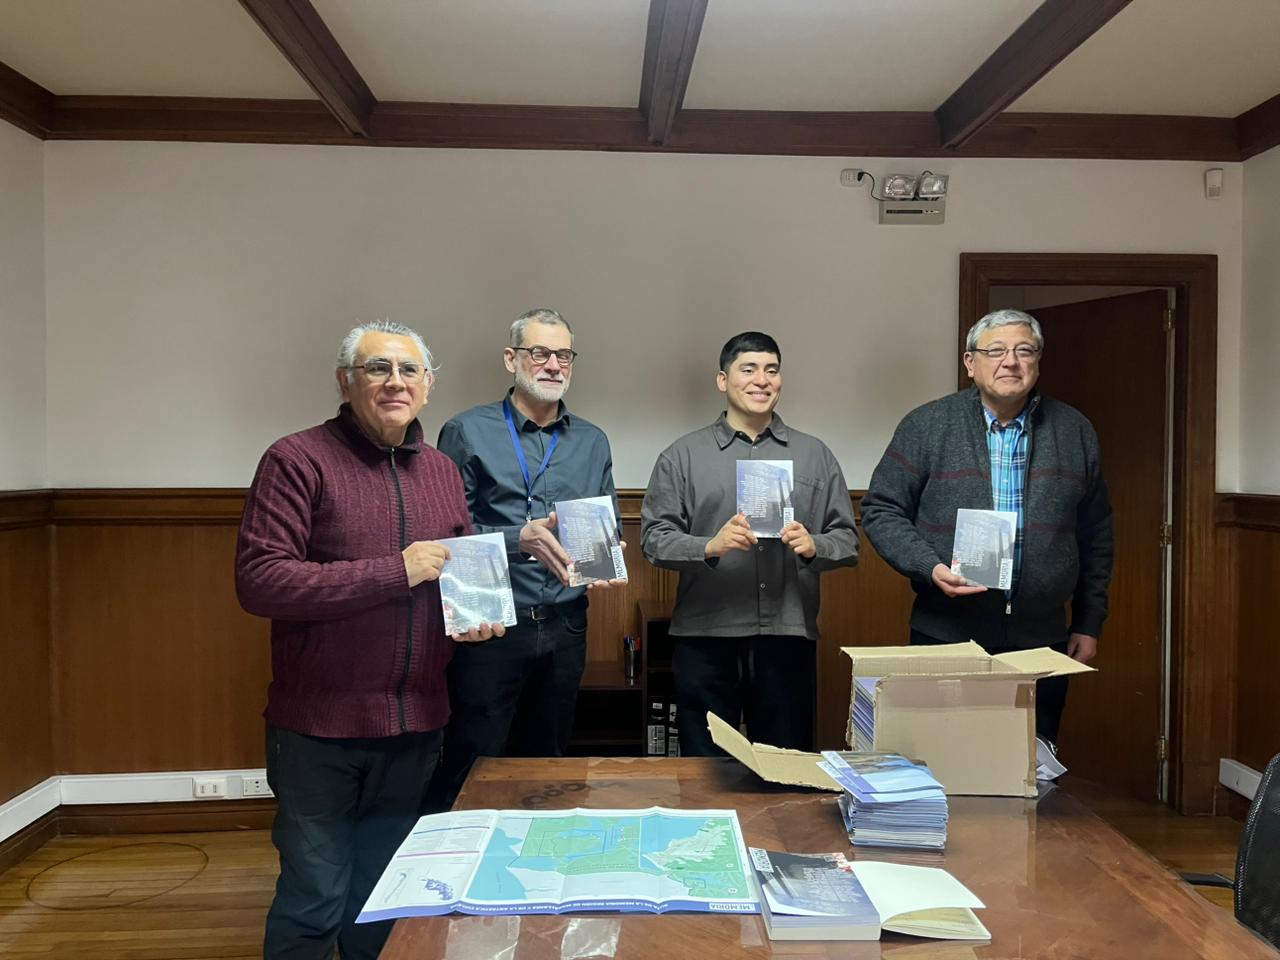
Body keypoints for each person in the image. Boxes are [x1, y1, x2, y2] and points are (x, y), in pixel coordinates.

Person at [235, 320, 503, 960]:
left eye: (409, 370)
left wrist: (471, 619)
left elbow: (452, 570)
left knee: (383, 897)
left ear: (428, 385)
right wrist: (394, 571)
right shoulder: (296, 459)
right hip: (319, 729)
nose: (394, 382)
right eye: (377, 368)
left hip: (416, 727)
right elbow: (261, 581)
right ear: (345, 381)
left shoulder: (441, 470)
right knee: (314, 897)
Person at [860, 308, 1114, 747]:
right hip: (946, 636)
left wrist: (1089, 622)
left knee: (1030, 764)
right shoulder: (927, 425)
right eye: (995, 351)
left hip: (1042, 642)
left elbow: (1097, 535)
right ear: (970, 362)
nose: (1010, 361)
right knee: (939, 759)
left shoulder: (1075, 431)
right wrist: (928, 566)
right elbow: (881, 509)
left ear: (1038, 361)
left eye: (1024, 351)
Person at [427, 308, 623, 811]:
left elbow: (607, 524)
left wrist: (607, 553)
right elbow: (447, 534)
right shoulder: (466, 431)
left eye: (564, 355)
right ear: (511, 359)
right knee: (474, 758)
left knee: (548, 763)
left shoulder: (592, 440)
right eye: (540, 353)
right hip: (491, 625)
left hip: (565, 624)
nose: (553, 365)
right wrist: (520, 539)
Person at [641, 331, 859, 755]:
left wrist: (814, 545)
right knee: (704, 765)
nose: (762, 380)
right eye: (749, 369)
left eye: (771, 370)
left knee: (785, 762)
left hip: (787, 635)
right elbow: (653, 540)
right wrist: (710, 546)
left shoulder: (814, 455)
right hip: (706, 635)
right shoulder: (682, 456)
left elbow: (848, 541)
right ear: (723, 380)